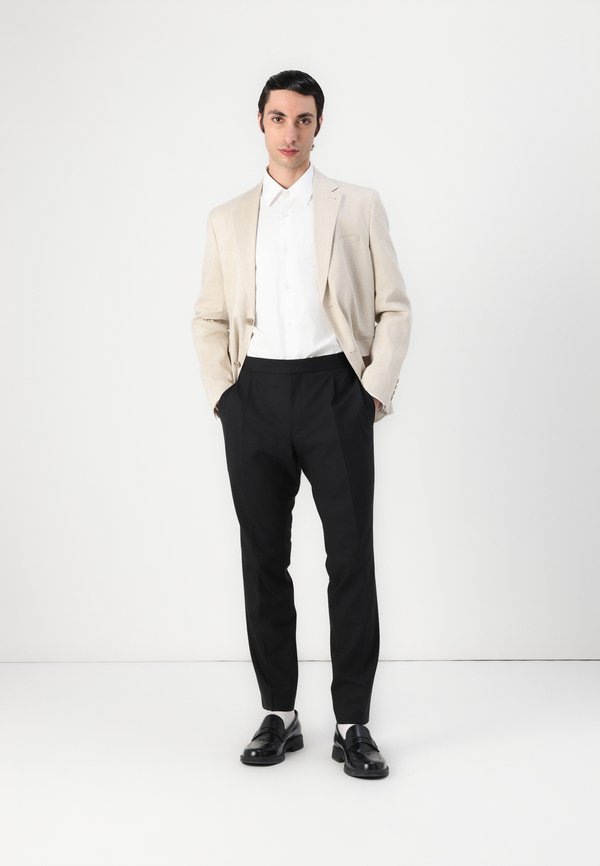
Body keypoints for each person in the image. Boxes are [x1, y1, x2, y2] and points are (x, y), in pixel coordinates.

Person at [191, 69, 411, 779]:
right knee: (263, 559)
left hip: (333, 391)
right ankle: (278, 713)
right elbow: (209, 316)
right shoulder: (227, 218)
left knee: (350, 557)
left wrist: (370, 391)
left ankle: (352, 722)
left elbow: (393, 306)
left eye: (304, 119)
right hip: (254, 395)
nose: (291, 132)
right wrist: (226, 397)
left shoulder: (358, 205)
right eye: (279, 118)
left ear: (319, 126)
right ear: (261, 122)